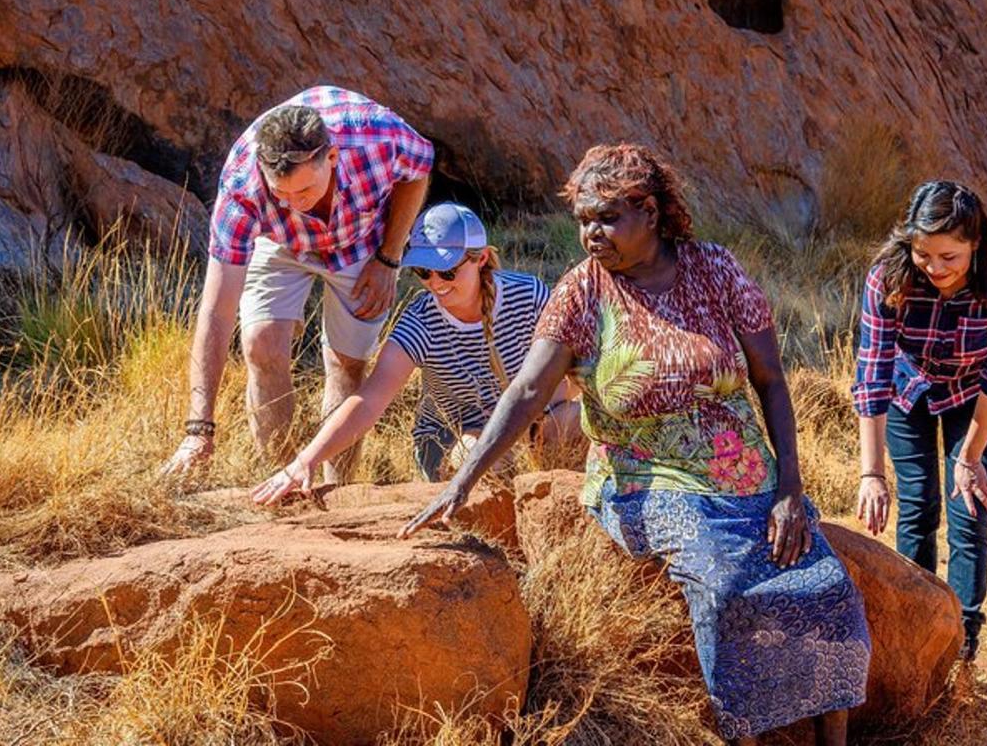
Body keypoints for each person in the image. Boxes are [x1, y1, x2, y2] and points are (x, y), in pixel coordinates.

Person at [400, 145, 870, 745]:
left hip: (745, 473)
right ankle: (744, 734)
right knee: (725, 586)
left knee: (826, 586)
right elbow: (524, 392)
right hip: (645, 474)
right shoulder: (581, 293)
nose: (590, 234)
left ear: (649, 212)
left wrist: (790, 490)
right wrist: (463, 480)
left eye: (605, 218)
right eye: (582, 220)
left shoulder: (716, 269)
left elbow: (772, 381)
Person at [160, 86, 433, 484]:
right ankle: (282, 482)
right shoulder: (242, 188)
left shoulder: (375, 135)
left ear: (333, 158)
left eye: (305, 190)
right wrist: (197, 430)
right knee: (261, 344)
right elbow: (217, 312)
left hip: (361, 243)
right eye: (281, 192)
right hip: (282, 242)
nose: (294, 203)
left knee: (347, 364)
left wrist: (389, 257)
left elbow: (419, 167)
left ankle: (333, 489)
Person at [249, 203, 584, 504]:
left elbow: (578, 364)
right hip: (455, 437)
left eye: (448, 271)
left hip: (523, 423)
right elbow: (369, 400)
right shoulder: (420, 322)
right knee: (485, 455)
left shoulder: (531, 296)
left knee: (579, 421)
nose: (436, 282)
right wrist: (305, 460)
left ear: (480, 258)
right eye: (423, 272)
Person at [853, 181, 987, 661]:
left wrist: (970, 458)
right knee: (917, 507)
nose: (934, 268)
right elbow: (871, 375)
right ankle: (916, 626)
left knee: (969, 511)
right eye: (923, 254)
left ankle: (960, 641)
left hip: (975, 398)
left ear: (976, 244)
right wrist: (871, 474)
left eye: (949, 257)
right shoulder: (886, 277)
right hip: (908, 390)